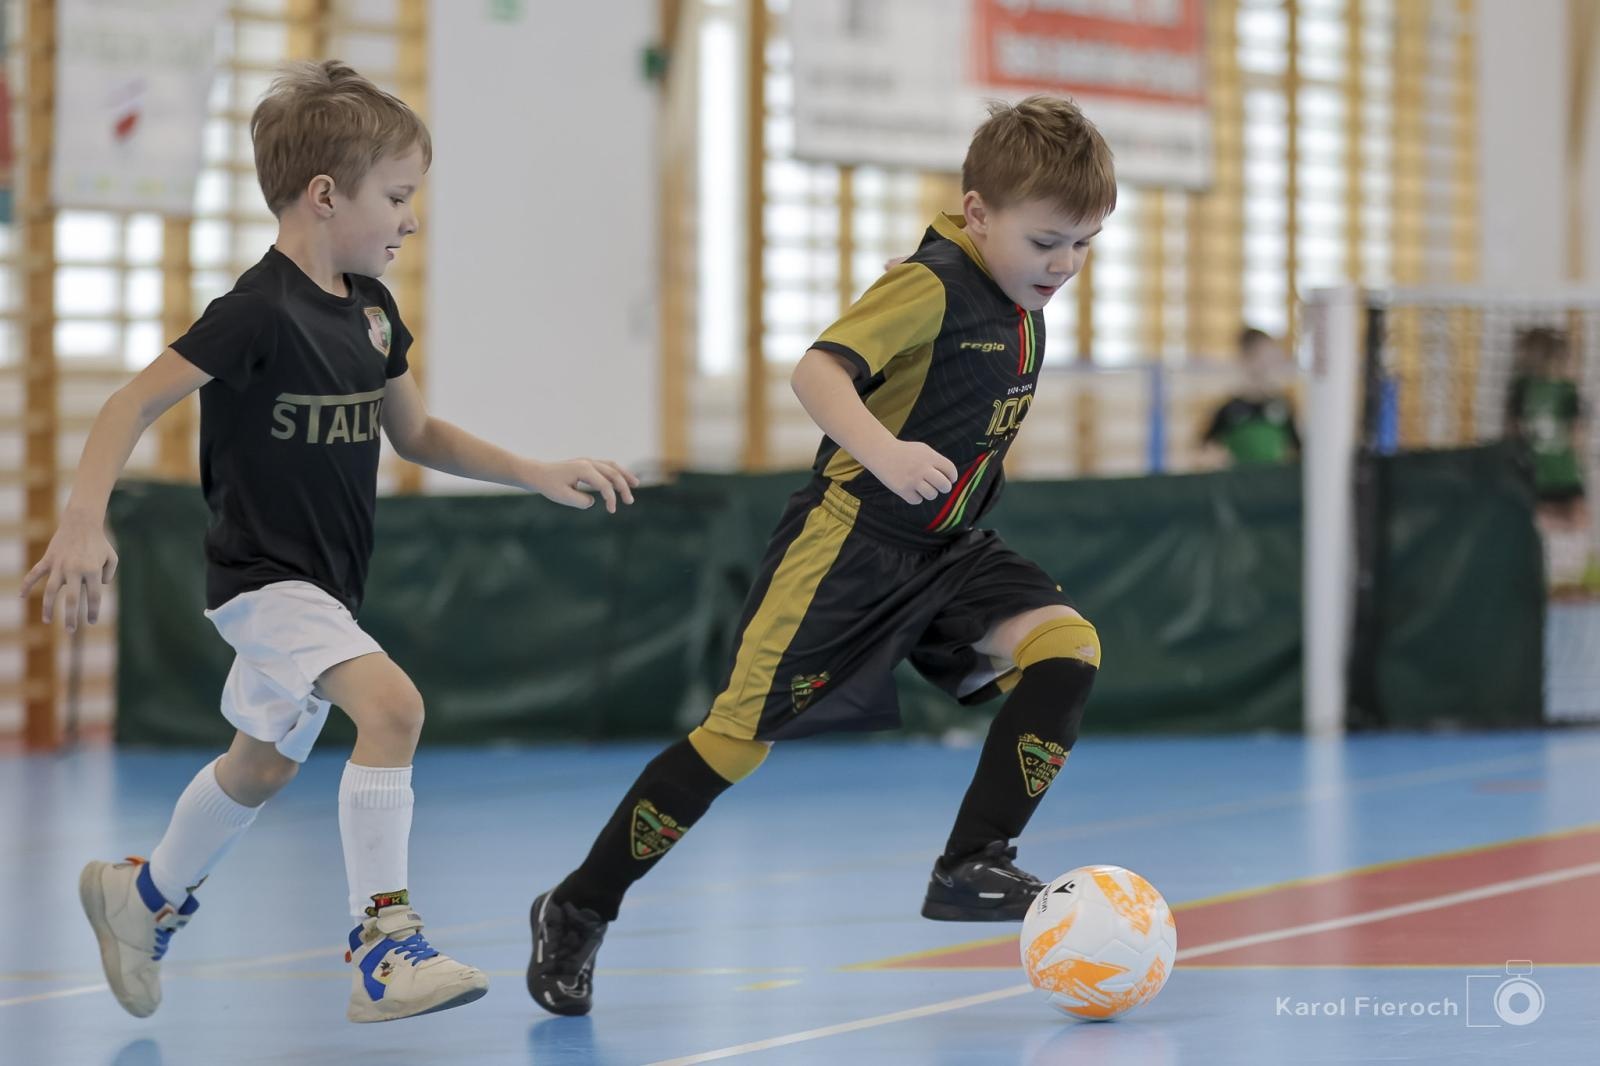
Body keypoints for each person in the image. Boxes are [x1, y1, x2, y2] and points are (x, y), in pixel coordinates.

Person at [22, 60, 638, 1024]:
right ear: (323, 196)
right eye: (396, 197)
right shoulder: (257, 312)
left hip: (328, 590)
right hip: (264, 583)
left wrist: (534, 469)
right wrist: (80, 518)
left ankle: (141, 902)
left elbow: (420, 435)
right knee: (391, 708)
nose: (411, 220)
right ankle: (385, 944)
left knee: (261, 765)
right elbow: (127, 401)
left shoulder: (374, 313)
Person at [525, 94, 1116, 1017]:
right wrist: (883, 451)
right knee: (733, 746)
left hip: (950, 551)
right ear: (977, 214)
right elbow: (817, 370)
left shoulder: (1016, 299)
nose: (1064, 265)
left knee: (1067, 647)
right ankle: (578, 905)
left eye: (1082, 244)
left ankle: (972, 863)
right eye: (1047, 242)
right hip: (851, 550)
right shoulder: (929, 284)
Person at [1506, 326, 1590, 588]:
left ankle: (1558, 577)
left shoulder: (1534, 388)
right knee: (1563, 521)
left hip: (1547, 474)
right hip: (1551, 474)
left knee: (1552, 521)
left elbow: (1513, 431)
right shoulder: (1560, 389)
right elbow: (1576, 436)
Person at [1200, 327, 1300, 467]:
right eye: (1259, 356)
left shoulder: (1282, 405)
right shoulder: (1229, 409)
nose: (1265, 364)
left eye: (1269, 356)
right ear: (1245, 357)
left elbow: (1296, 449)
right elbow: (1205, 449)